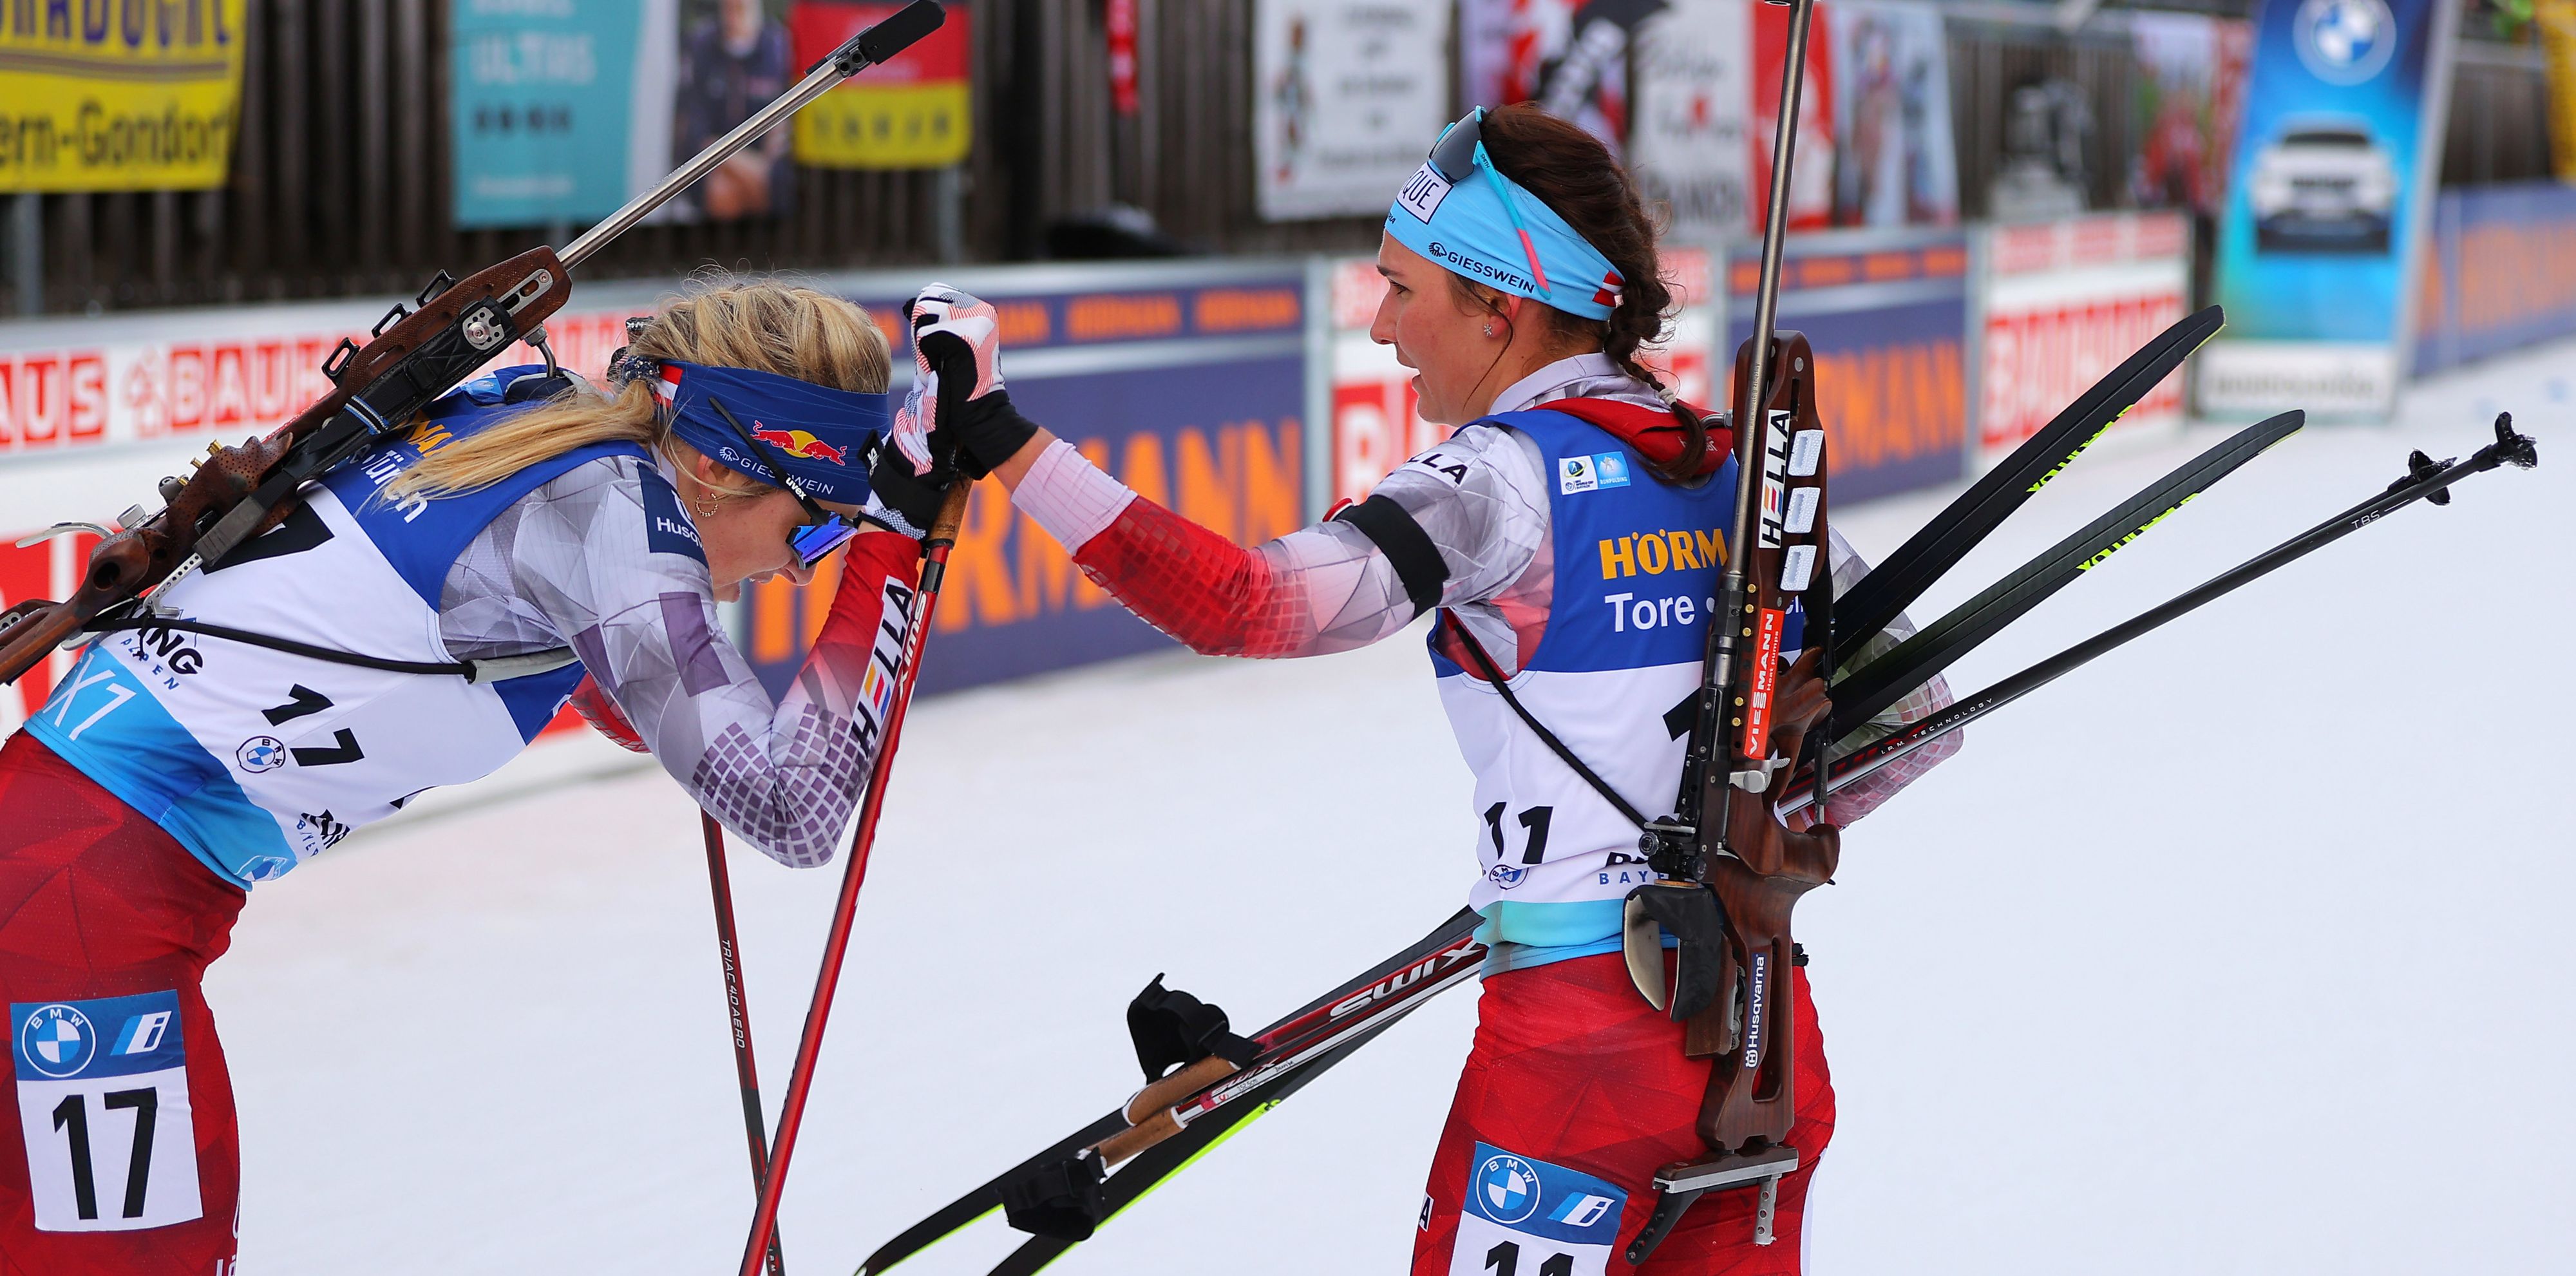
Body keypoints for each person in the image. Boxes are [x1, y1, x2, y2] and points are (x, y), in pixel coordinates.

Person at [886, 104, 1961, 1273]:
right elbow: (1915, 722)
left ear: (1502, 306)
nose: (1384, 325)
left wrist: (1001, 435)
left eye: (1405, 290)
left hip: (1578, 1062)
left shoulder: (1496, 482)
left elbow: (1243, 601)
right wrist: (1739, 835)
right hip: (1759, 1039)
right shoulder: (1731, 465)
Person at [0, 281, 952, 1273]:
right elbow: (795, 812)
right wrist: (896, 541)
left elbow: (614, 690)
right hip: (78, 914)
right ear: (715, 466)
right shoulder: (612, 510)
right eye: (815, 530)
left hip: (60, 861)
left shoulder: (537, 423)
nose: (805, 569)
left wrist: (685, 671)